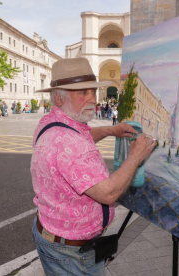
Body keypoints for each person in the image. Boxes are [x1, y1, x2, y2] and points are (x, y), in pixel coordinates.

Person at [31, 58, 155, 275]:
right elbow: (108, 194)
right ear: (59, 98)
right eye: (82, 93)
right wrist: (135, 156)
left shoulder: (53, 122)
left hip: (54, 237)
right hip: (71, 253)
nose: (92, 99)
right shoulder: (69, 141)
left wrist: (110, 130)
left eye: (92, 91)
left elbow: (82, 138)